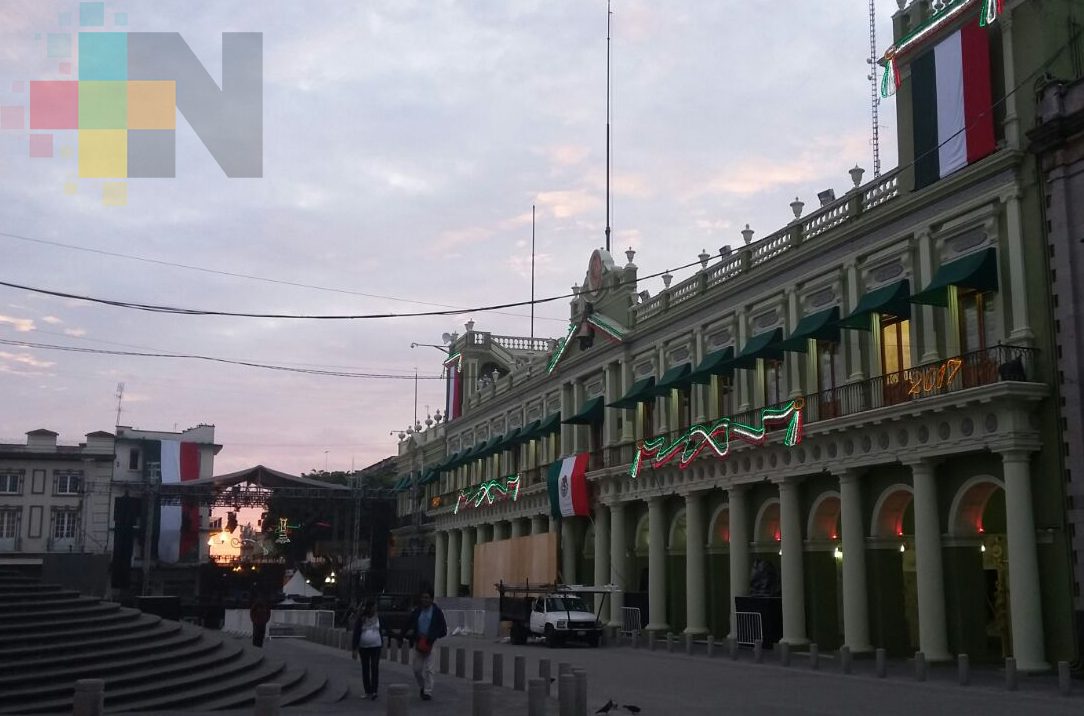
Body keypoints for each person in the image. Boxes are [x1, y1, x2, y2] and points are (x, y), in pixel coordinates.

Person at [403, 588, 447, 701]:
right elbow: (408, 623)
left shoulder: (437, 612)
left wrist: (434, 636)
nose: (425, 600)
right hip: (419, 641)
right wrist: (402, 635)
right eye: (423, 597)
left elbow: (442, 628)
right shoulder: (417, 611)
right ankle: (422, 686)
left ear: (432, 599)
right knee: (417, 669)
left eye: (427, 597)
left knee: (429, 669)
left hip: (431, 642)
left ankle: (428, 691)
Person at [351, 599, 383, 700]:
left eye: (376, 607)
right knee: (365, 668)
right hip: (364, 647)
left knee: (374, 666)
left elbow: (385, 629)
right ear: (369, 608)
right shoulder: (362, 618)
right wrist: (354, 649)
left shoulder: (379, 617)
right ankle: (367, 690)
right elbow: (356, 633)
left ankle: (374, 690)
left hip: (376, 646)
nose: (375, 609)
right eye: (374, 607)